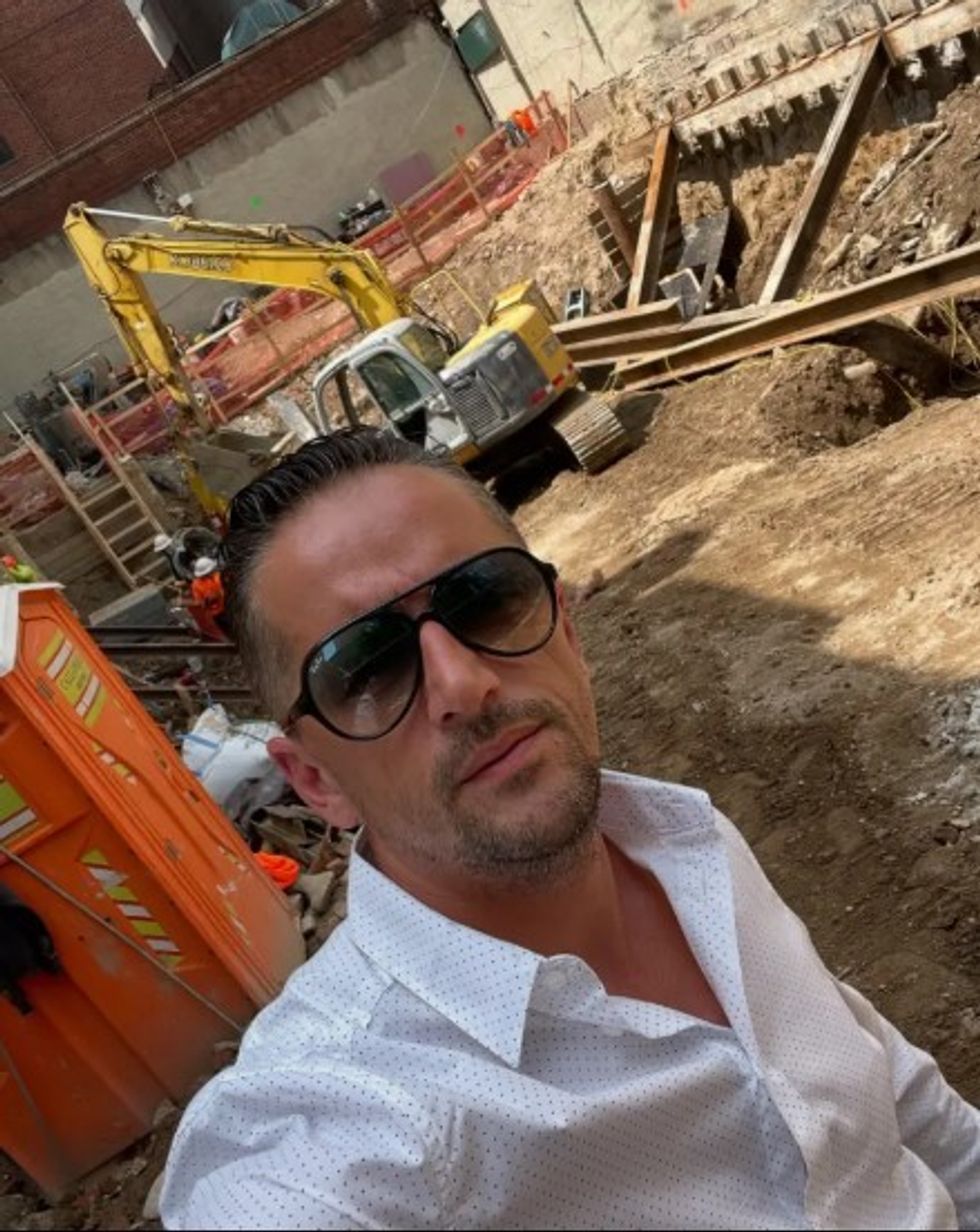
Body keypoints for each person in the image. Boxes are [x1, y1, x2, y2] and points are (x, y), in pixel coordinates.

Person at [161, 429, 980, 1231]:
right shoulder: (354, 1120)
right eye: (366, 666)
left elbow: (900, 1098)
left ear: (567, 629)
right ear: (317, 780)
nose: (463, 683)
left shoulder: (691, 845)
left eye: (484, 597)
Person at [187, 556, 226, 641]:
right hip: (217, 613)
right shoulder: (196, 585)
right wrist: (208, 600)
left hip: (227, 606)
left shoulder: (217, 576)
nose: (212, 572)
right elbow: (201, 603)